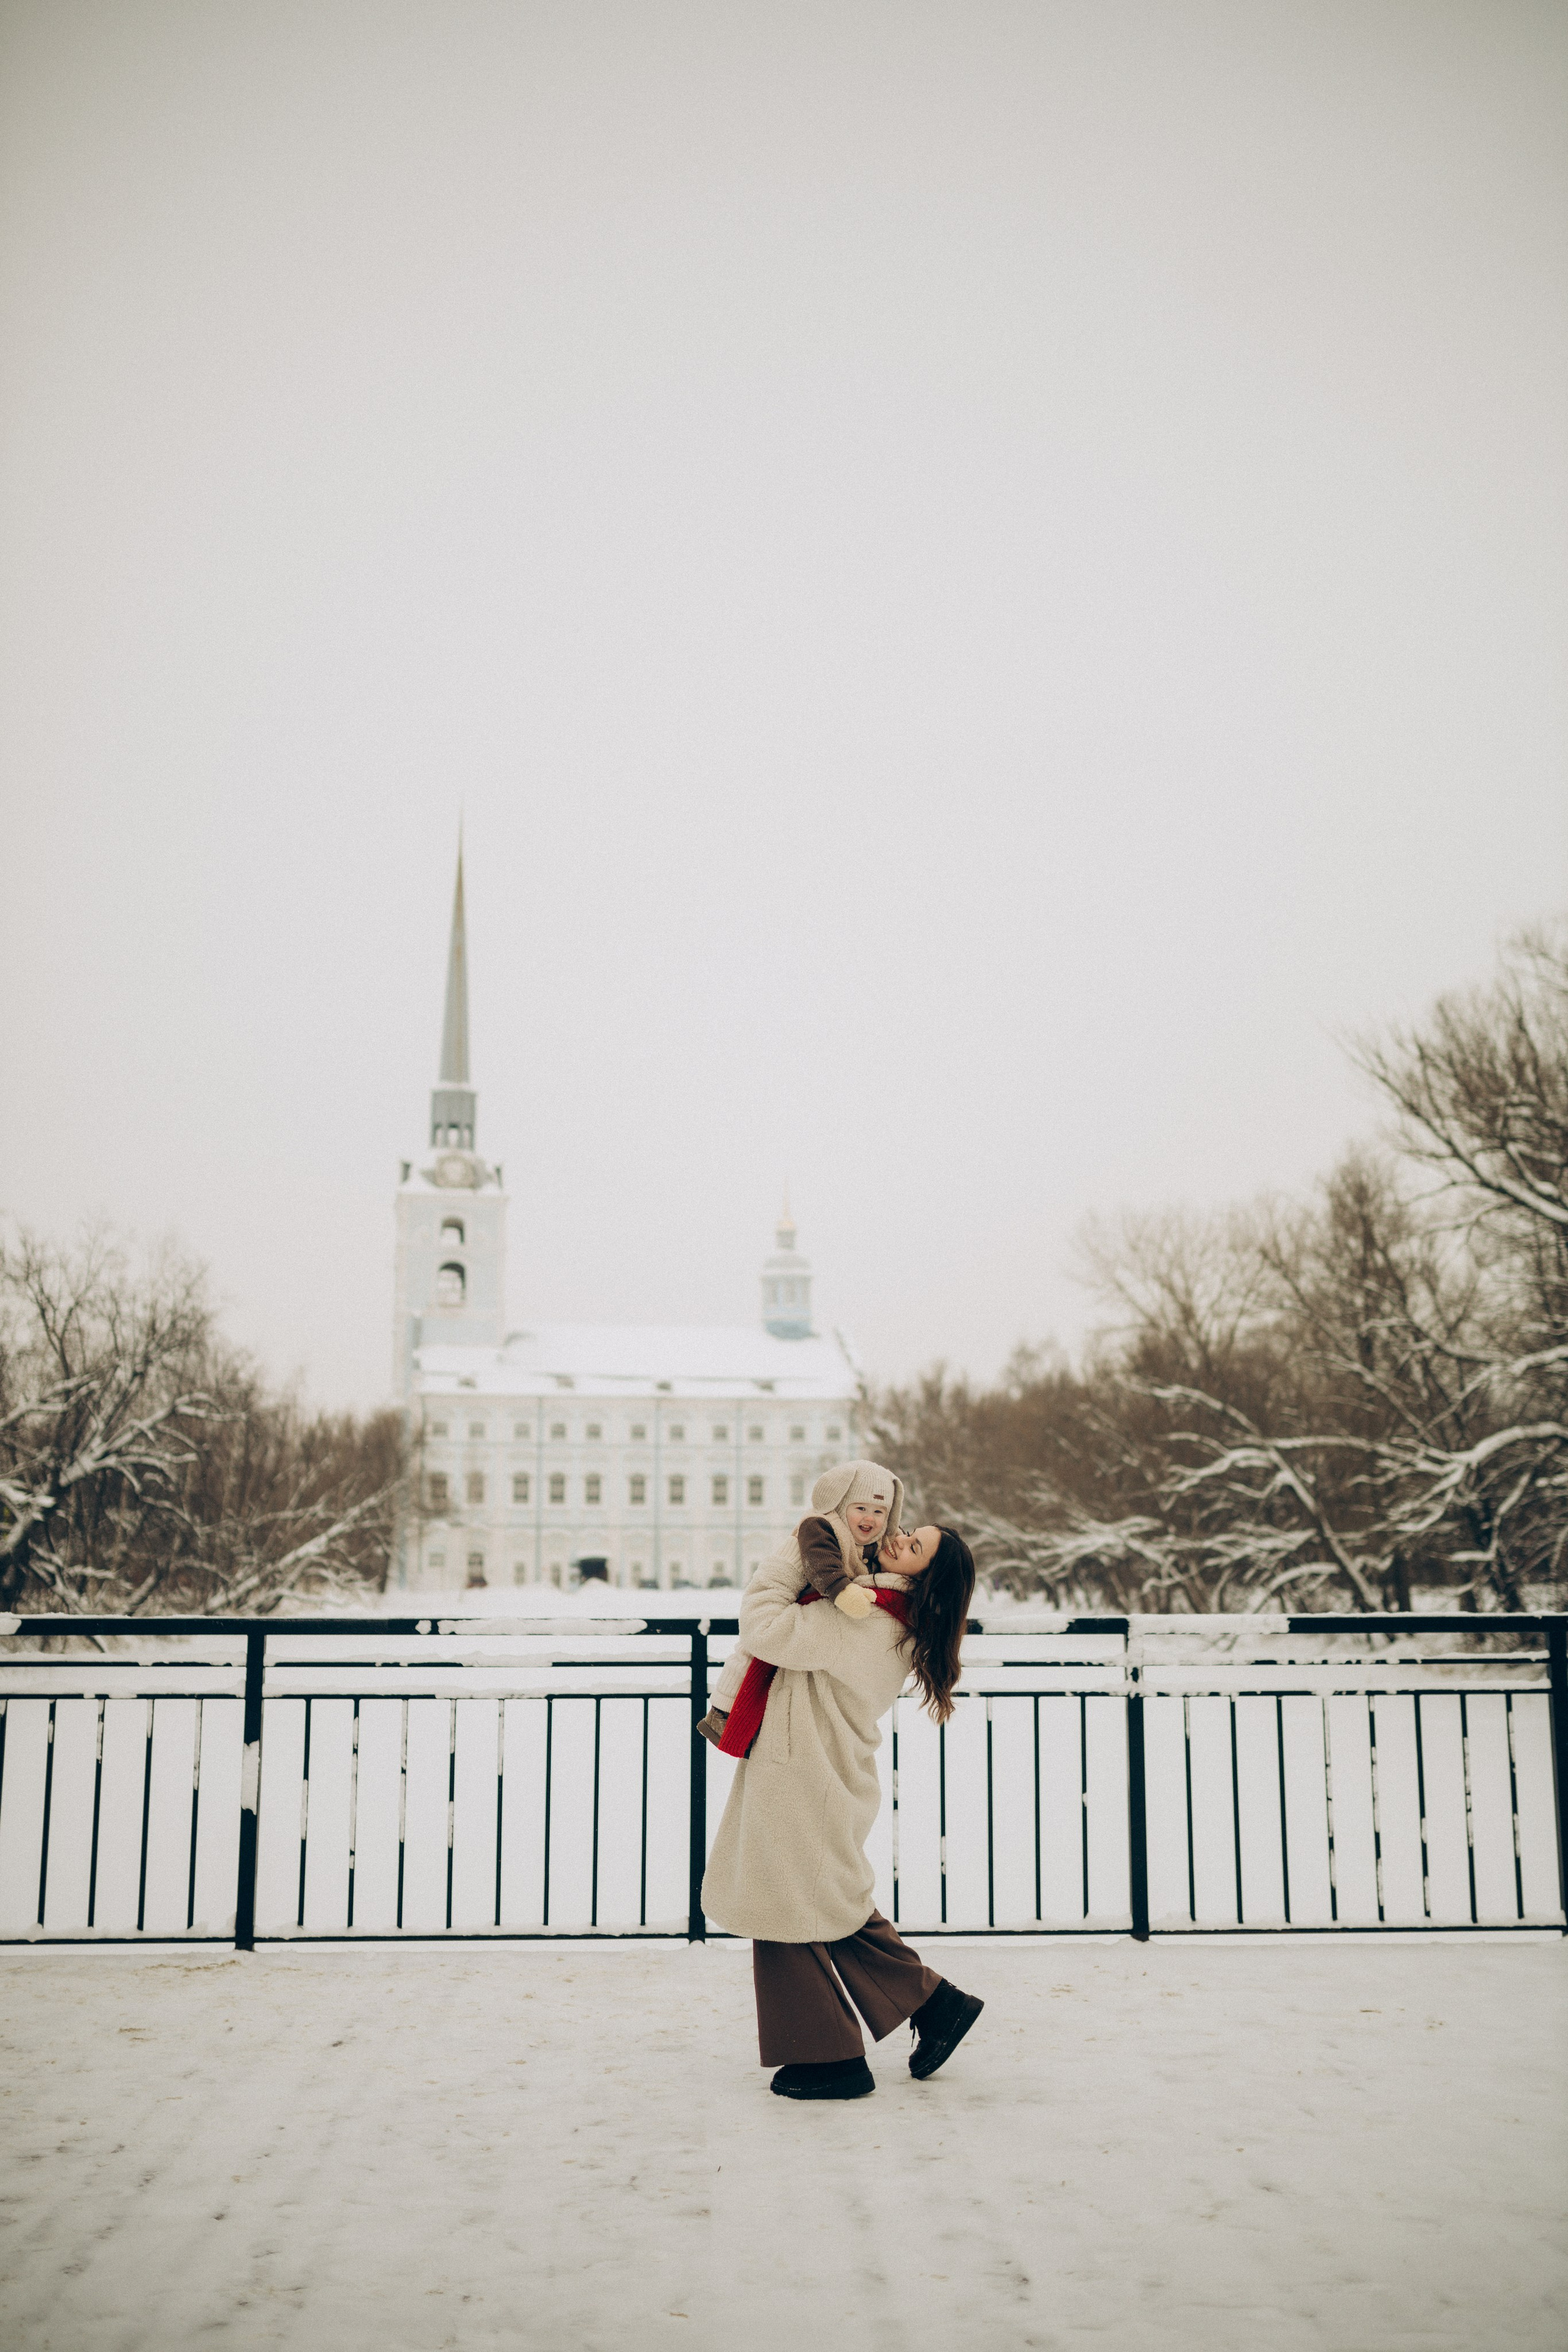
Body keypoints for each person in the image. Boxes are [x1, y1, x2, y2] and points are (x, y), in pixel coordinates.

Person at [699, 1516, 984, 2100]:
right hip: (810, 1767)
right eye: (910, 1531)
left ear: (927, 1577)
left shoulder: (867, 1615)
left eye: (917, 1548)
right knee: (821, 1897)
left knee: (783, 1904)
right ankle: (935, 2005)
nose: (901, 1539)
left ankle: (829, 2058)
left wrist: (791, 1554)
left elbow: (764, 1627)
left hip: (806, 1772)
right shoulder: (883, 1611)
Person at [695, 1459, 903, 1750]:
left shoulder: (875, 1543)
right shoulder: (820, 1527)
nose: (870, 1518)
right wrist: (843, 1592)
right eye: (861, 1508)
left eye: (880, 1511)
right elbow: (821, 1563)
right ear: (841, 1505)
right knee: (748, 1655)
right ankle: (724, 1713)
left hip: (812, 1621)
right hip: (799, 1601)